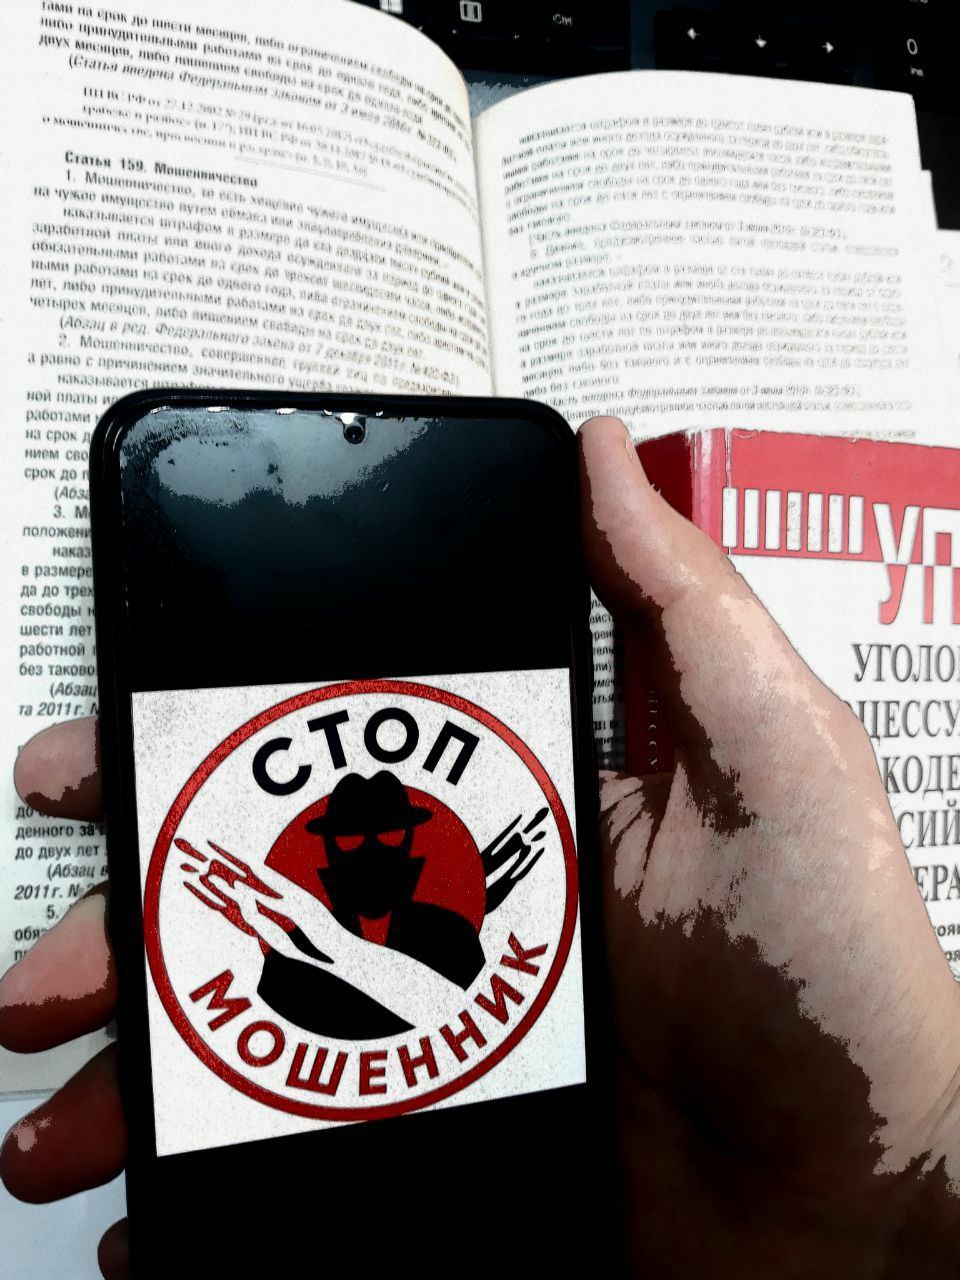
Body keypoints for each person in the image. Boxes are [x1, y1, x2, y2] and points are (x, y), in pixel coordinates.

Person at [2, 415, 960, 1279]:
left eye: (390, 836)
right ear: (322, 860)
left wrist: (911, 1170)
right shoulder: (280, 982)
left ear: (417, 851)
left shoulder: (448, 941)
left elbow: (454, 1003)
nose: (373, 854)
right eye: (353, 840)